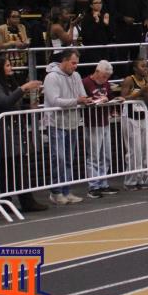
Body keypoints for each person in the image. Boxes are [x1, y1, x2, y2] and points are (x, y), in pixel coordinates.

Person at [0, 55, 47, 212]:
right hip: (3, 131)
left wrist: (28, 107)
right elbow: (4, 102)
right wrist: (23, 88)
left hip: (14, 130)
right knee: (6, 167)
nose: (10, 68)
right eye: (7, 65)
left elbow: (13, 104)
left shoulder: (8, 84)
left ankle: (26, 200)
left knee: (18, 167)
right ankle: (8, 201)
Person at [43, 49, 92, 205]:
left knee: (69, 159)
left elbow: (82, 95)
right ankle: (56, 192)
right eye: (73, 63)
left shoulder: (76, 76)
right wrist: (77, 101)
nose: (75, 66)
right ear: (64, 60)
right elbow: (54, 101)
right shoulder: (51, 77)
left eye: (76, 63)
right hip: (56, 123)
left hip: (72, 122)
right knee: (59, 158)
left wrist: (88, 100)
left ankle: (66, 191)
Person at [82, 60, 119, 198]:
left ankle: (103, 183)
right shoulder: (85, 82)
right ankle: (93, 186)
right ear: (97, 72)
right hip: (92, 123)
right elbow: (84, 100)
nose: (105, 79)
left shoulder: (106, 83)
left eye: (107, 77)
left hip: (104, 121)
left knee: (106, 155)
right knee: (94, 156)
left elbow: (110, 96)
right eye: (104, 76)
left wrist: (116, 100)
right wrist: (97, 101)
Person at [119, 58, 148, 190]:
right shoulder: (129, 80)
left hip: (142, 116)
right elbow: (122, 98)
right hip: (130, 117)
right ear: (135, 68)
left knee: (144, 149)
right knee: (134, 150)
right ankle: (130, 181)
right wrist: (139, 92)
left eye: (146, 66)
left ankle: (140, 179)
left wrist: (147, 92)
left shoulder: (146, 81)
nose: (145, 68)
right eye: (142, 66)